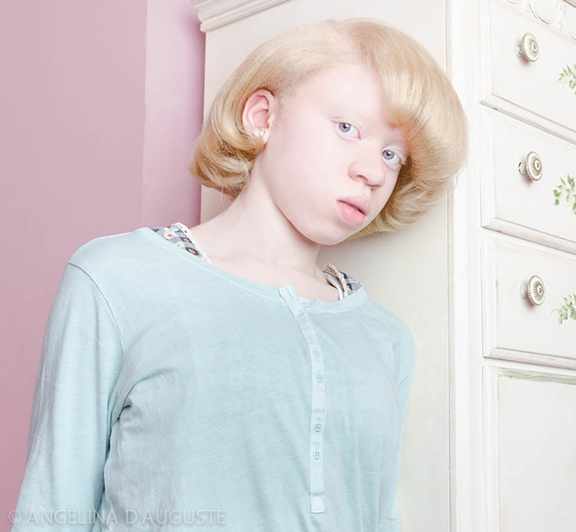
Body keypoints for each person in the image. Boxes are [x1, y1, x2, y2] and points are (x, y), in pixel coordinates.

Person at [11, 17, 468, 532]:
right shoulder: (116, 280)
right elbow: (50, 513)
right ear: (262, 116)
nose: (374, 170)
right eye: (347, 128)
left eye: (392, 154)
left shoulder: (386, 339)